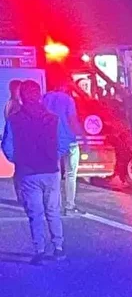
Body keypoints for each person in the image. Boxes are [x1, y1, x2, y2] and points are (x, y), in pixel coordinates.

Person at [2, 80, 66, 265]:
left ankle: (39, 250)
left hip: (28, 173)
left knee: (35, 213)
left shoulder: (14, 120)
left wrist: (19, 160)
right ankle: (58, 247)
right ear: (39, 96)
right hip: (50, 171)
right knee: (53, 210)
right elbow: (63, 143)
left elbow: (7, 146)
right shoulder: (53, 119)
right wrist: (53, 157)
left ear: (21, 97)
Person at [43, 81, 83, 215]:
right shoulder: (68, 100)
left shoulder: (45, 98)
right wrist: (83, 137)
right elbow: (72, 120)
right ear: (65, 87)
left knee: (55, 175)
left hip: (51, 141)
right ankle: (70, 206)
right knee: (71, 174)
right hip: (69, 141)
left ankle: (53, 206)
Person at [3, 79, 23, 204]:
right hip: (18, 140)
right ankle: (21, 196)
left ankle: (20, 195)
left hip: (15, 139)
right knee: (21, 169)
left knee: (19, 169)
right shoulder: (15, 104)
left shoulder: (10, 103)